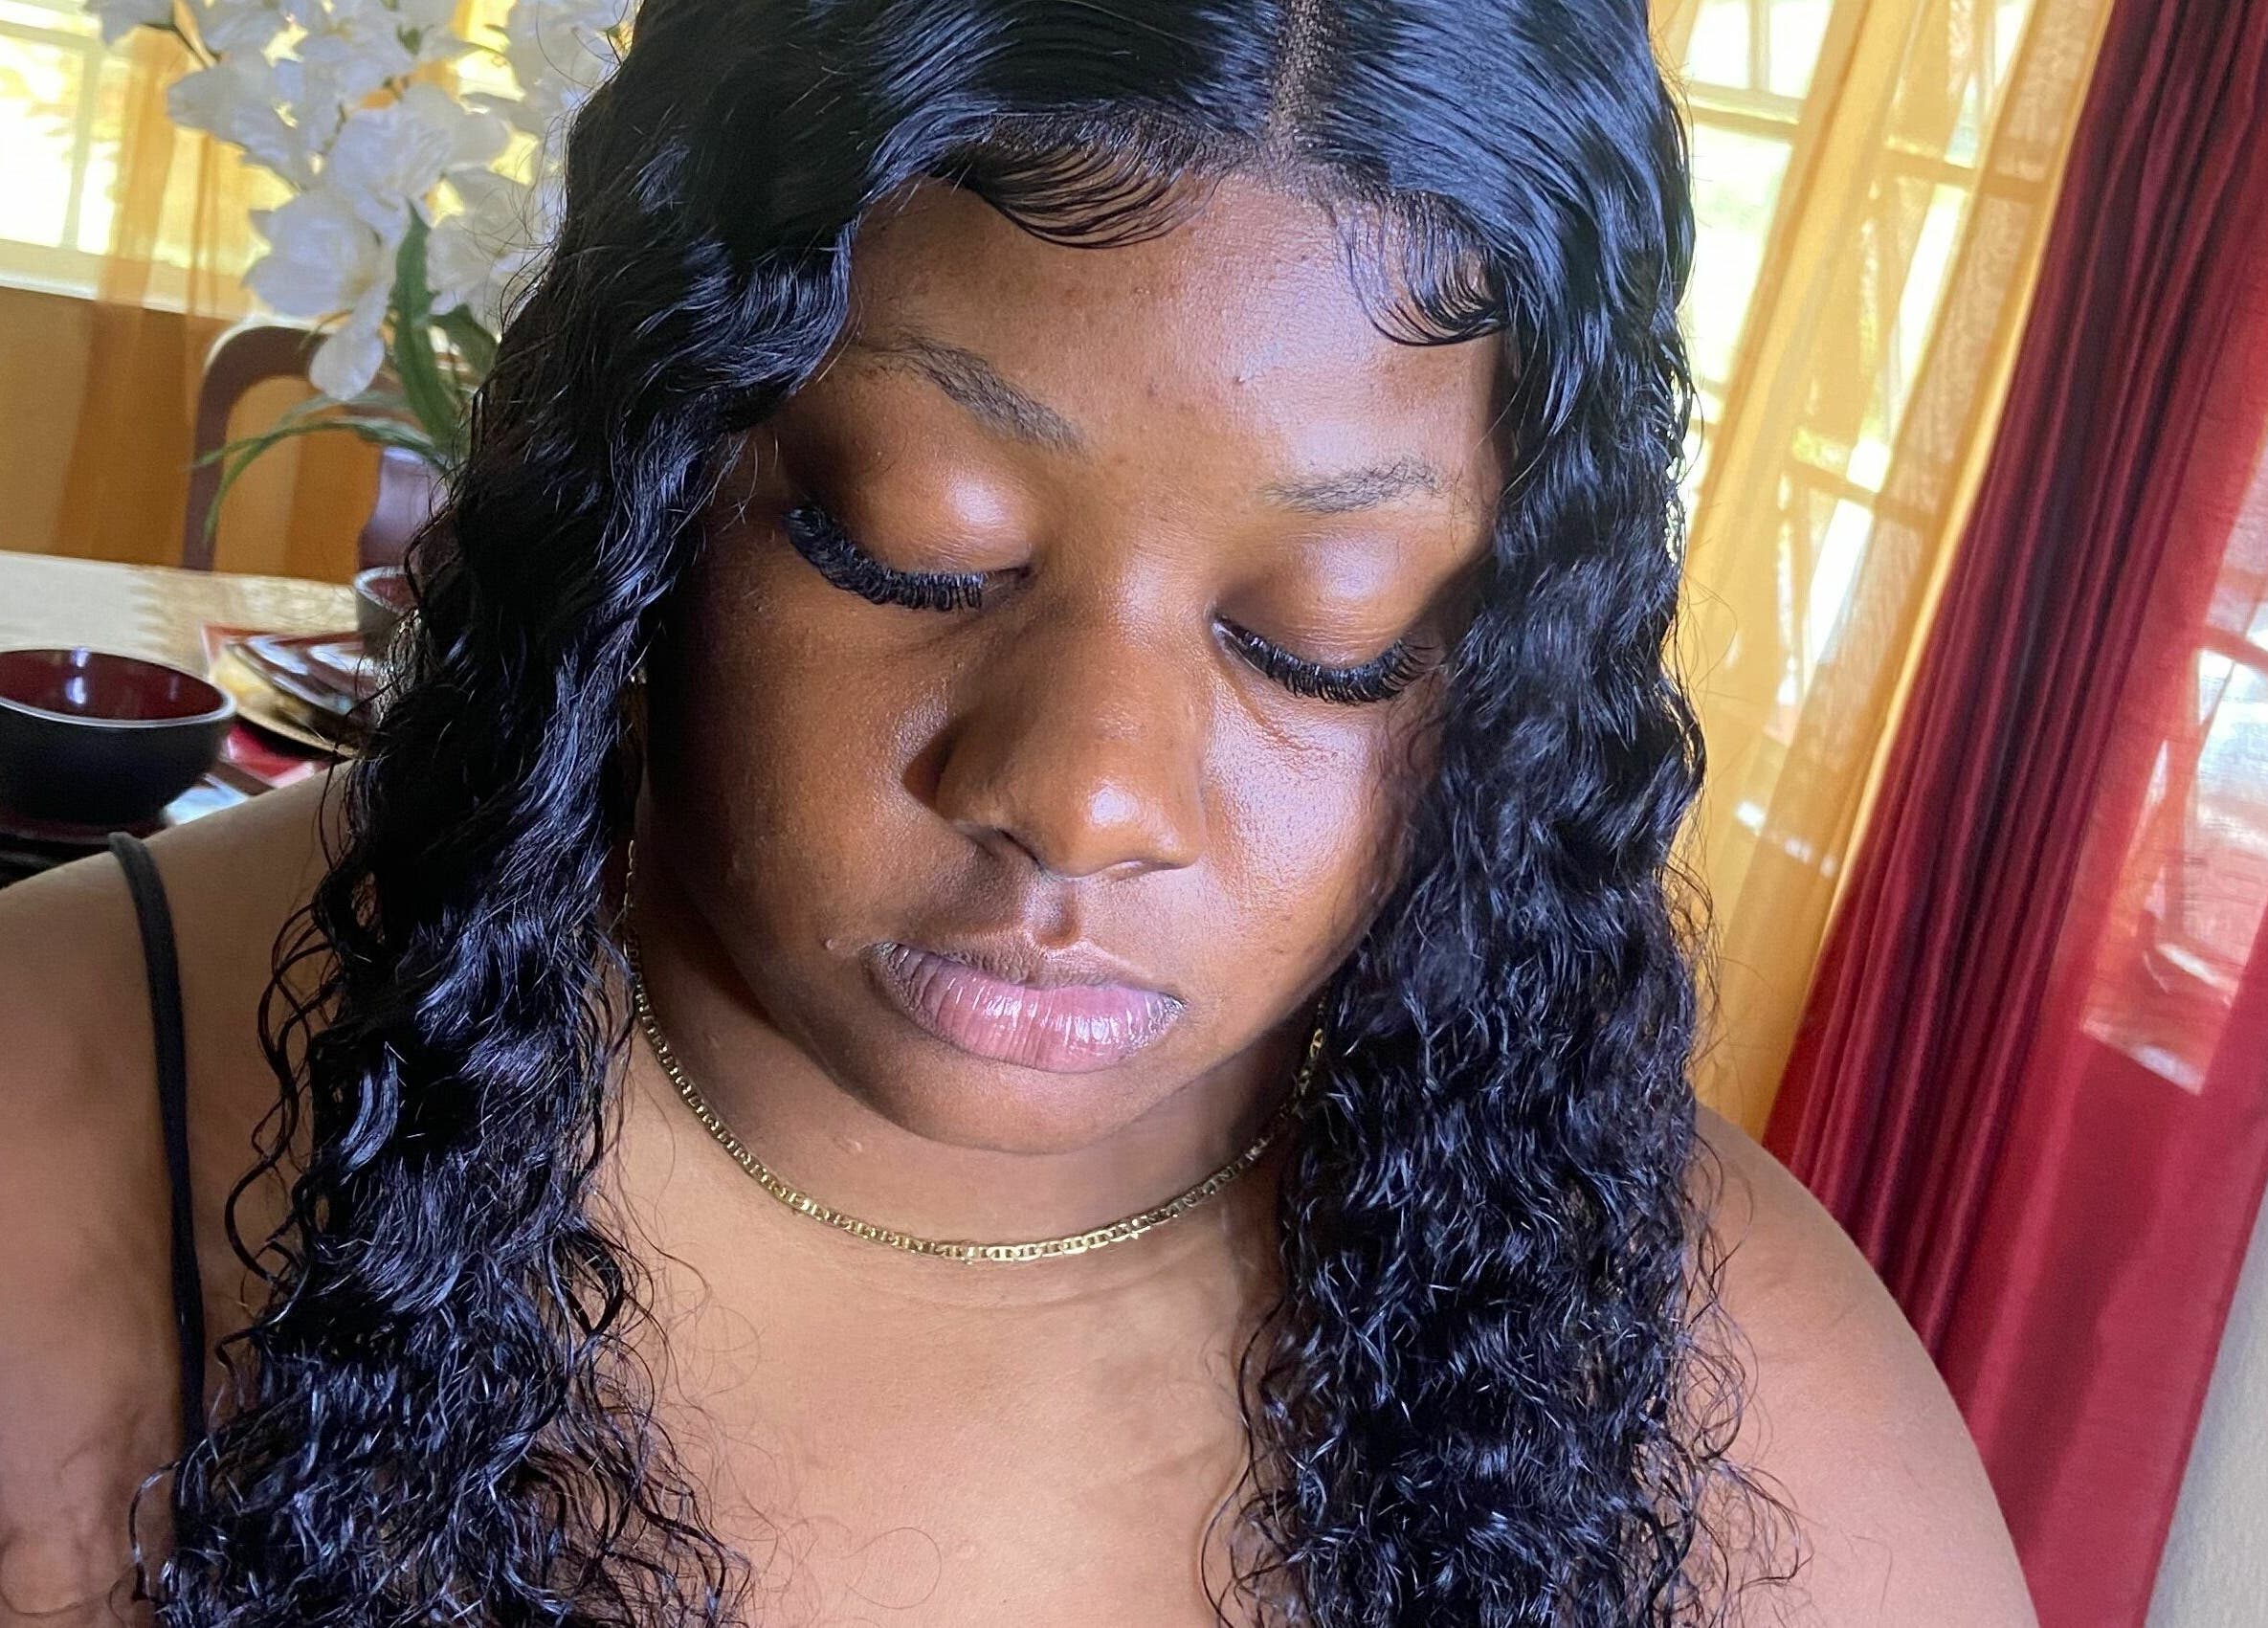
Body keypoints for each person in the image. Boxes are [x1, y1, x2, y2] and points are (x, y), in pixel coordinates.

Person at [0, 1, 2038, 1623]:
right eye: (914, 546)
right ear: (645, 471)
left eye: (1324, 640)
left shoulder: (1694, 1374)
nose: (1085, 794)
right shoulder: (56, 1117)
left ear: (1512, 657)